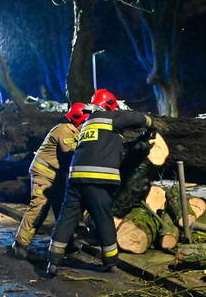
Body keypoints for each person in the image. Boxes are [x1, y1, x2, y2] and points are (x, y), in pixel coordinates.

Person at [47, 89, 153, 275]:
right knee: (103, 218)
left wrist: (141, 141)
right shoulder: (109, 118)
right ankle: (111, 261)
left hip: (75, 180)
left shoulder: (88, 123)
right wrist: (150, 123)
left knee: (67, 217)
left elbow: (110, 147)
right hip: (97, 180)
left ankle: (53, 260)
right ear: (109, 106)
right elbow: (136, 118)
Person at [9, 103, 89, 259]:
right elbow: (70, 153)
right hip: (44, 174)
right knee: (39, 207)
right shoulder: (64, 130)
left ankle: (65, 243)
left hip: (56, 176)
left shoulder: (76, 131)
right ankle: (20, 244)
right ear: (79, 118)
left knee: (63, 210)